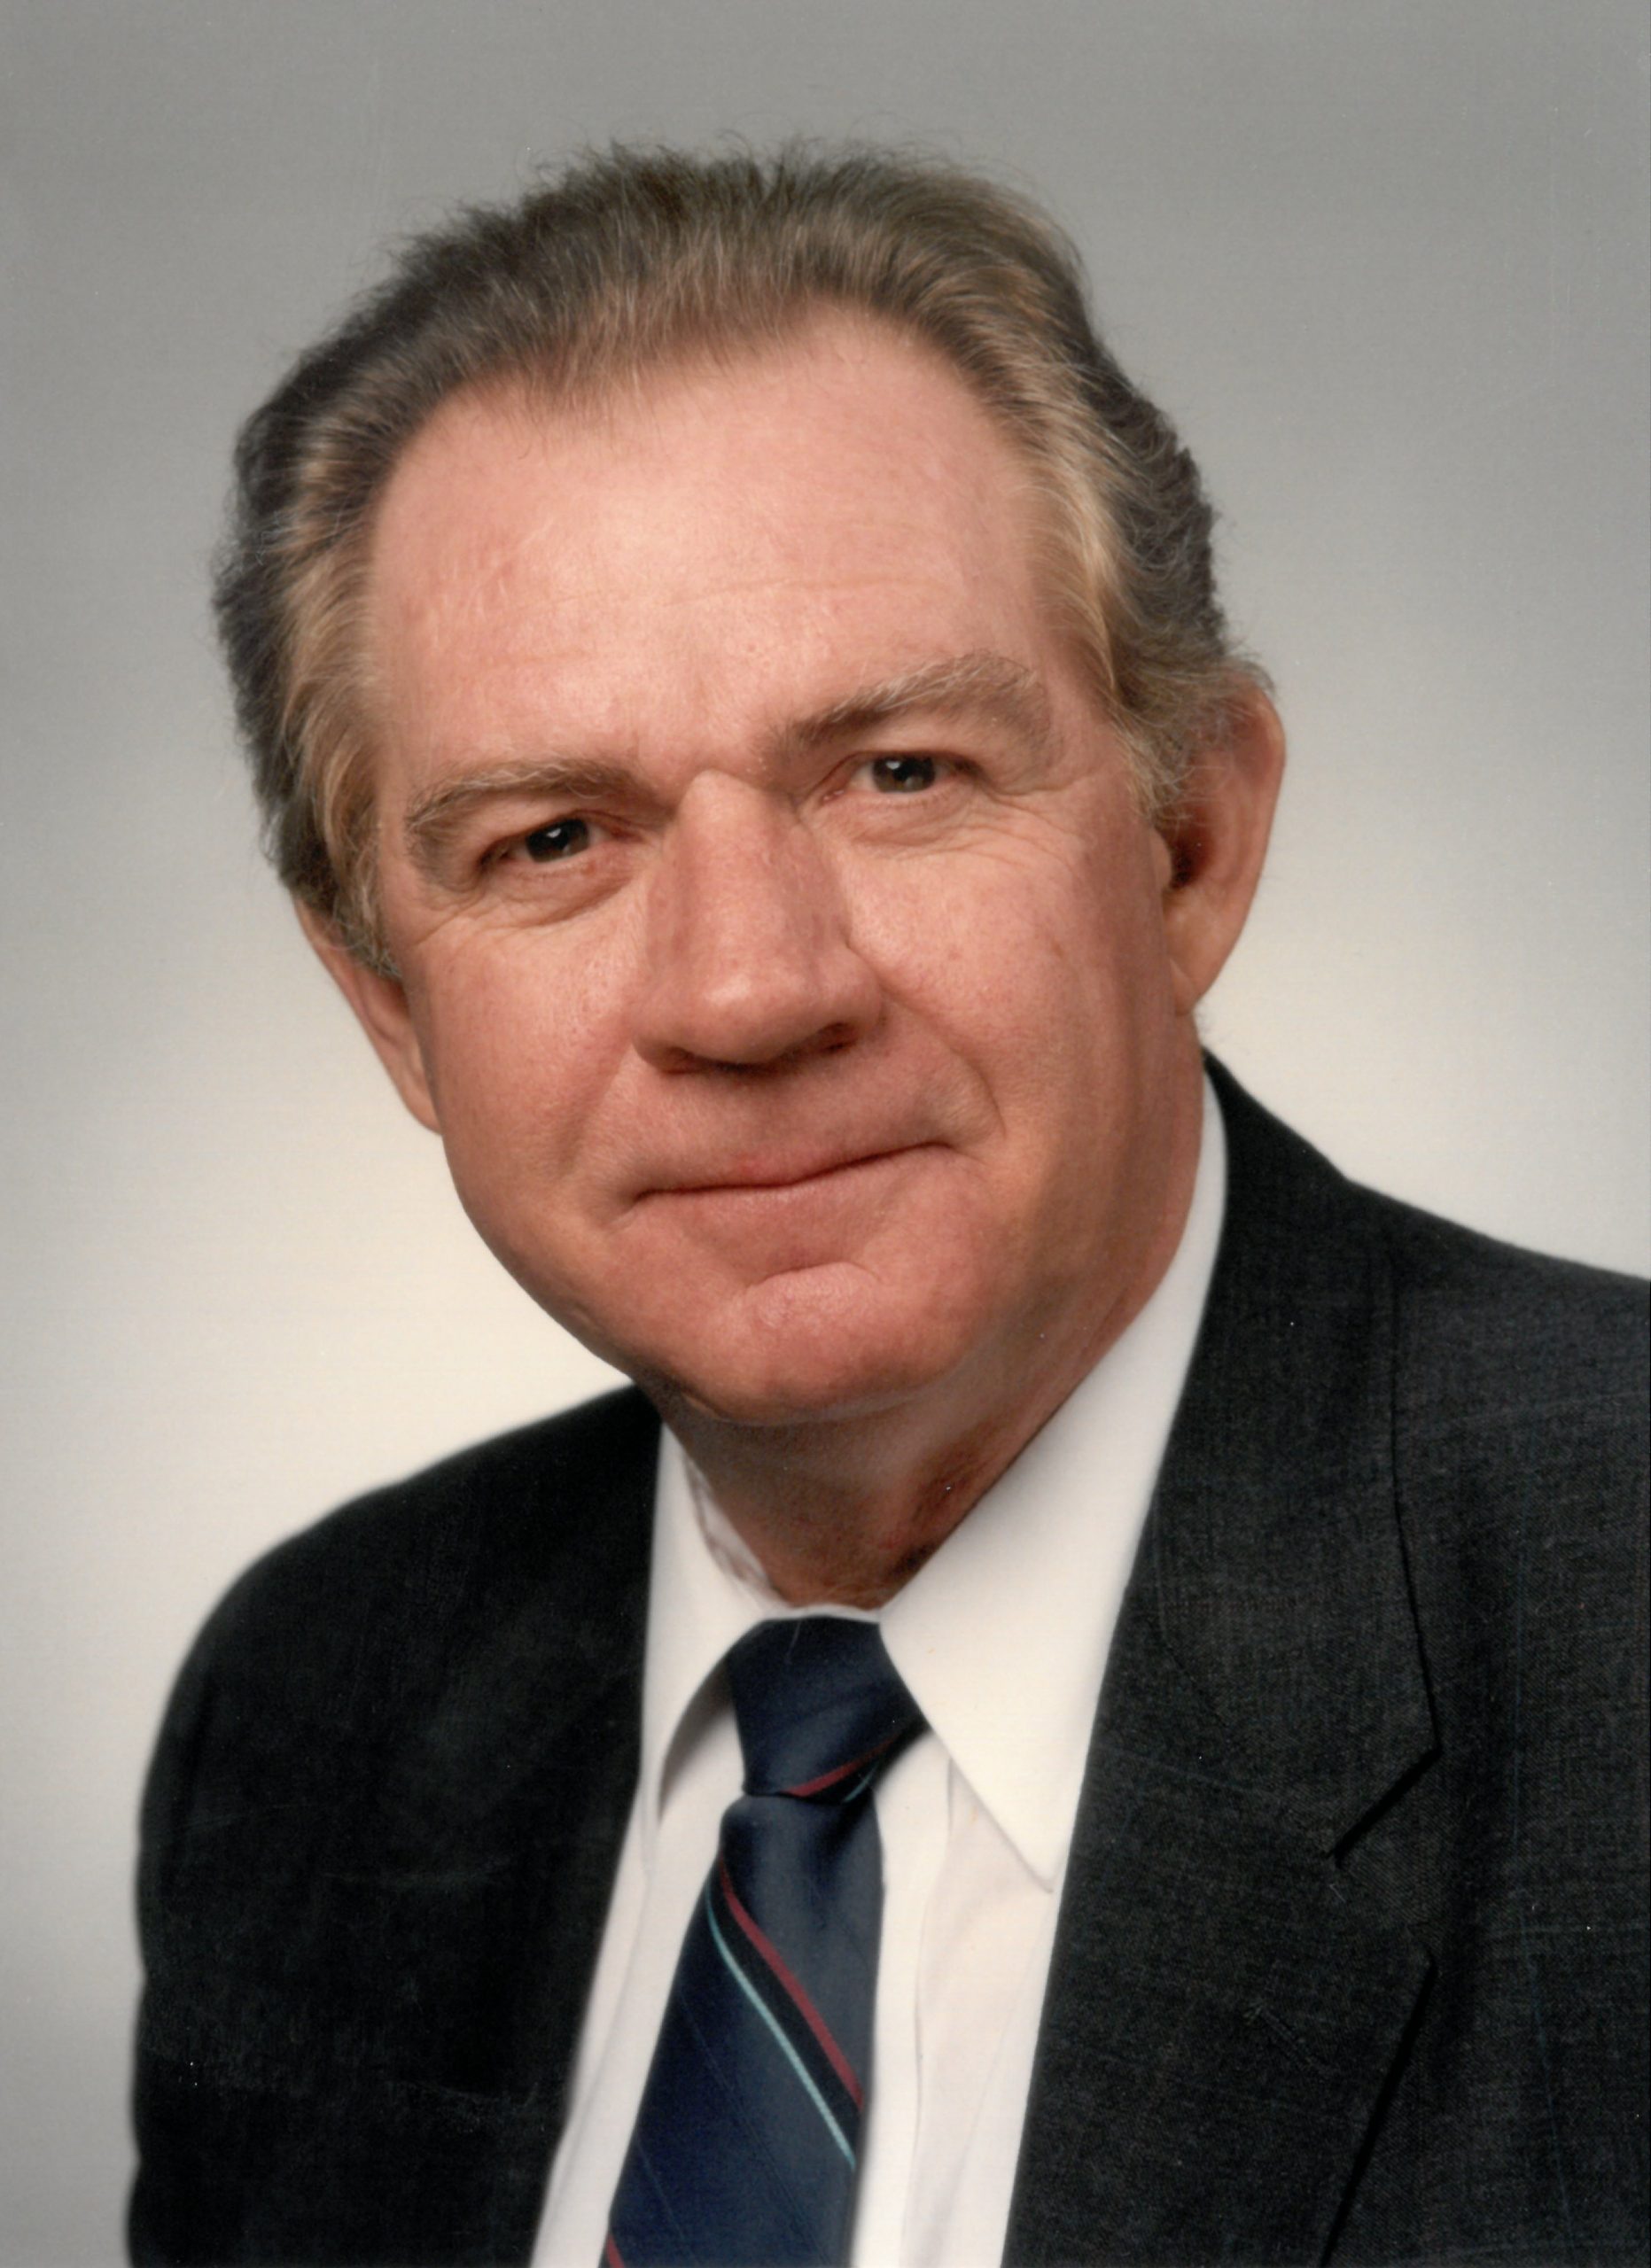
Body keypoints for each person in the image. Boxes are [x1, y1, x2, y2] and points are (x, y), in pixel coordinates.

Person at [128, 146, 1647, 2268]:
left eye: (898, 771)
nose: (749, 990)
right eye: (554, 836)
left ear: (1189, 841)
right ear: (391, 1004)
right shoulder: (316, 1710)